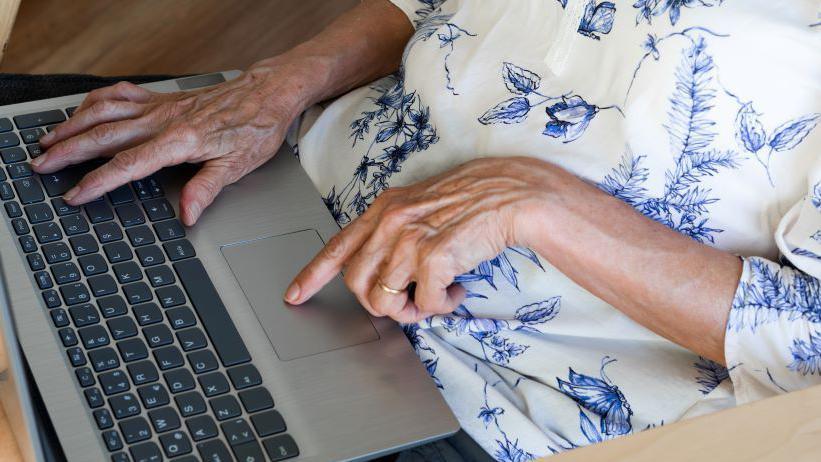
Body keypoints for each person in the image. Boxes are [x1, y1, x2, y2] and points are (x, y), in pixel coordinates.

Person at [31, 0, 821, 460]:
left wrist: (539, 201)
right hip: (275, 178)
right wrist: (274, 85)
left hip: (464, 388)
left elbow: (809, 343)